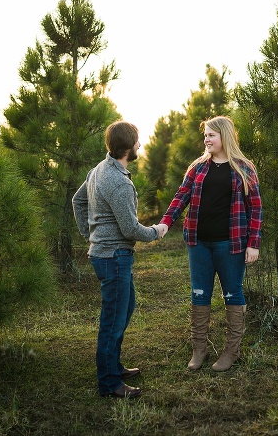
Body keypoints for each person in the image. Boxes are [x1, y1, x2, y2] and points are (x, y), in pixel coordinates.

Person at [73, 121, 168, 399]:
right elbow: (130, 229)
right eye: (137, 141)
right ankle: (110, 383)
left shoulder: (99, 169)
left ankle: (113, 365)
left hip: (106, 255)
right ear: (127, 147)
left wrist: (89, 233)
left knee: (124, 309)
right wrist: (156, 232)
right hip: (114, 257)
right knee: (113, 320)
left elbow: (78, 202)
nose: (140, 145)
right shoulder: (118, 182)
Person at [160, 115, 262, 372]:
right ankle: (199, 349)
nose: (206, 139)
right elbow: (180, 197)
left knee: (232, 294)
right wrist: (165, 223)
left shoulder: (244, 168)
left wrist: (254, 243)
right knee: (199, 294)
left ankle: (231, 352)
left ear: (224, 136)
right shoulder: (197, 167)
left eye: (211, 135)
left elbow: (256, 209)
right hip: (199, 243)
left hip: (231, 245)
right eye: (205, 135)